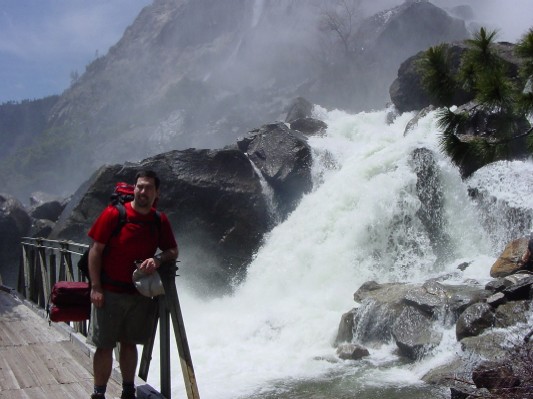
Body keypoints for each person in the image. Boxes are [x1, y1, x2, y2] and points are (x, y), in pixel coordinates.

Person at [87, 170, 178, 399]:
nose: (142, 191)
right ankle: (99, 393)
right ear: (134, 188)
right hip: (109, 292)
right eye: (139, 186)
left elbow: (173, 250)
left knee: (129, 344)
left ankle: (128, 391)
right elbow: (95, 251)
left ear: (156, 193)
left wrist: (158, 259)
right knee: (105, 345)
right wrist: (96, 287)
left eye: (148, 187)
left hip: (139, 293)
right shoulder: (114, 214)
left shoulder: (159, 220)